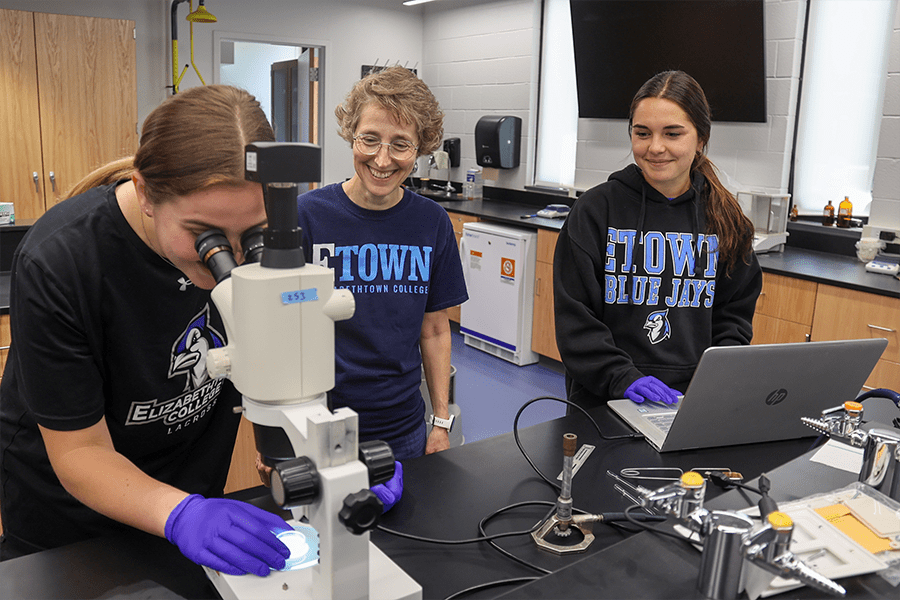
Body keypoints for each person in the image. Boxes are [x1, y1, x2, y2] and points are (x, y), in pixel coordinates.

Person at [0, 85, 294, 576]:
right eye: (206, 235)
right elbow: (80, 452)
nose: (233, 259)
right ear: (145, 193)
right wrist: (181, 515)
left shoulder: (271, 236)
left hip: (189, 493)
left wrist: (325, 453)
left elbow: (279, 359)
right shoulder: (62, 260)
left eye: (253, 234)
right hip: (73, 520)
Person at [554, 70, 762, 410]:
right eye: (642, 133)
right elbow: (575, 321)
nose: (655, 147)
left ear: (701, 138)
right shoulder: (595, 211)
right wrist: (623, 378)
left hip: (693, 403)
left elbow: (733, 320)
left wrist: (714, 383)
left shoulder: (726, 220)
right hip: (605, 399)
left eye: (672, 133)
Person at [295, 66, 468, 462]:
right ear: (350, 134)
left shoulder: (432, 223)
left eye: (400, 144)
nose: (382, 159)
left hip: (402, 429)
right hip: (317, 426)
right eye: (369, 140)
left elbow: (436, 328)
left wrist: (440, 421)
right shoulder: (307, 216)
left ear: (422, 148)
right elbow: (277, 329)